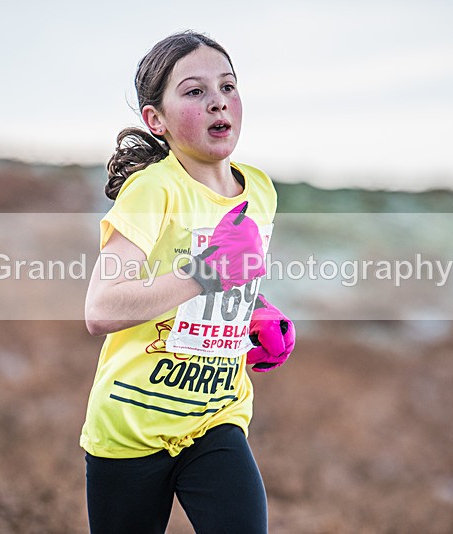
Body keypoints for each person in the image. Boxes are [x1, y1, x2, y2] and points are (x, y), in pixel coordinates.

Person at [81, 30, 295, 534]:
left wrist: (257, 311)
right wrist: (206, 272)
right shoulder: (152, 190)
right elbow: (101, 308)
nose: (218, 100)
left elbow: (235, 277)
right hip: (132, 424)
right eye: (195, 91)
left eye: (228, 85)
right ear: (157, 120)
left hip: (216, 415)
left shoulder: (259, 189)